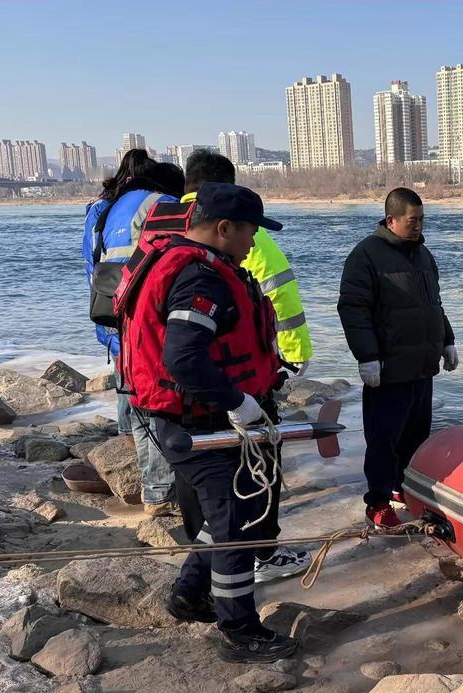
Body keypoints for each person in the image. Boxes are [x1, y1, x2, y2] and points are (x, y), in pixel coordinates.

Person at [118, 182, 297, 662]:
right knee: (235, 523)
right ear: (224, 228)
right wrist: (237, 401)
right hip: (199, 421)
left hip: (186, 416)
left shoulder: (186, 262)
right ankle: (240, 630)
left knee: (227, 515)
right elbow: (183, 357)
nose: (254, 241)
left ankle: (189, 594)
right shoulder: (202, 279)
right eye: (251, 231)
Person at [165, 150, 313, 584]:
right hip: (227, 388)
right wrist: (291, 359)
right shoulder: (219, 250)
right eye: (250, 231)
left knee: (208, 497)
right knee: (248, 490)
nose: (252, 240)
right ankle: (253, 564)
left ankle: (197, 584)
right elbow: (280, 295)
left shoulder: (161, 229)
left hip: (171, 398)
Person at [337, 187, 457, 528]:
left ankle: (405, 489)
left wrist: (447, 341)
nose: (418, 226)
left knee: (416, 438)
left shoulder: (423, 255)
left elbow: (434, 305)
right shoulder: (366, 255)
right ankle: (377, 503)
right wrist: (367, 356)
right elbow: (353, 309)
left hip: (422, 368)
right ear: (391, 220)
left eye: (422, 220)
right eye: (412, 220)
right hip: (388, 371)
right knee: (383, 441)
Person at [82, 150, 185, 515]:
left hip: (112, 313)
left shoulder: (104, 208)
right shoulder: (163, 203)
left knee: (134, 396)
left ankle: (141, 474)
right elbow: (178, 260)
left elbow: (91, 264)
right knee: (160, 402)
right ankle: (160, 494)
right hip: (148, 317)